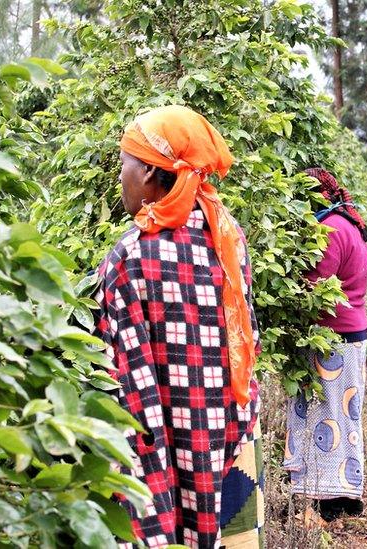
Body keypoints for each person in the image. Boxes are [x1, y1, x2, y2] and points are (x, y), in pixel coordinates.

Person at [95, 105, 263, 549]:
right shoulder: (227, 235)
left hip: (166, 451)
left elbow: (126, 382)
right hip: (230, 443)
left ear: (149, 171)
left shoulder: (129, 256)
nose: (120, 178)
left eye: (124, 165)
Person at [283, 167, 367, 521]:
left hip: (332, 338)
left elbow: (315, 288)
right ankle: (339, 493)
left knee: (326, 415)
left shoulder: (331, 229)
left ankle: (329, 501)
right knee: (340, 412)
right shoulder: (347, 224)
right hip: (346, 335)